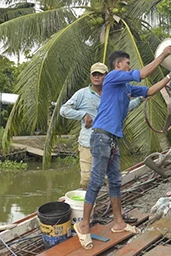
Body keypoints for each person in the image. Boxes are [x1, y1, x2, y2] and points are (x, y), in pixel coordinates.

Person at [74, 46, 171, 249]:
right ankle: (83, 225)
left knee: (115, 181)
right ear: (118, 64)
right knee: (95, 182)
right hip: (101, 137)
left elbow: (149, 91)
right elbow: (144, 74)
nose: (130, 67)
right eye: (127, 63)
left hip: (112, 139)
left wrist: (169, 76)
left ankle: (119, 223)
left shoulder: (126, 88)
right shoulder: (112, 77)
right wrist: (163, 55)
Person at [60, 62, 143, 191]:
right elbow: (64, 110)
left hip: (107, 142)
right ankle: (88, 206)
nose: (97, 77)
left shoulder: (111, 92)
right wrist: (82, 115)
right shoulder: (82, 94)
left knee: (107, 177)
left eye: (100, 74)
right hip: (88, 142)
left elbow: (123, 108)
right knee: (87, 178)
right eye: (94, 74)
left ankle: (104, 205)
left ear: (107, 76)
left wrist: (140, 99)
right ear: (90, 76)